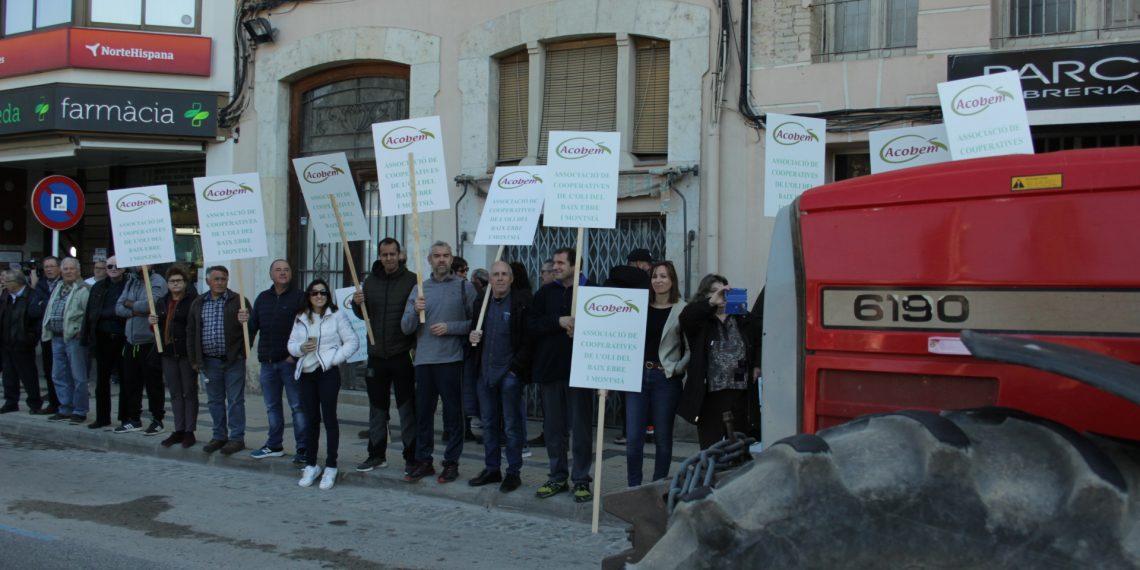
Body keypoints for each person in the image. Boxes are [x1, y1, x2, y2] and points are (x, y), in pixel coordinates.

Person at [401, 241, 476, 484]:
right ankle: (424, 460)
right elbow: (406, 327)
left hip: (451, 360)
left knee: (453, 415)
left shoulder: (465, 287)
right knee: (423, 414)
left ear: (452, 258)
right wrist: (414, 309)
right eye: (437, 256)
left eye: (445, 256)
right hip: (424, 361)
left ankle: (451, 463)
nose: (441, 260)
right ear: (429, 260)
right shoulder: (419, 289)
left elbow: (475, 325)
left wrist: (450, 328)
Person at [530, 247, 596, 503]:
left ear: (575, 265)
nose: (555, 266)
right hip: (551, 369)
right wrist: (558, 321)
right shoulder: (546, 292)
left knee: (581, 428)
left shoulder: (592, 291)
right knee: (554, 428)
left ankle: (581, 480)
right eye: (554, 262)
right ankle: (557, 475)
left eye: (560, 262)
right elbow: (531, 325)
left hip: (582, 370)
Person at [351, 238, 418, 474]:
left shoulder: (412, 280)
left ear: (399, 255)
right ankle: (376, 454)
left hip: (402, 353)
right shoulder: (370, 281)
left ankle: (411, 456)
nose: (388, 258)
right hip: (377, 354)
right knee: (377, 408)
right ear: (379, 256)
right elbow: (363, 315)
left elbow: (417, 317)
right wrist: (356, 303)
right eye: (384, 254)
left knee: (407, 408)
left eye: (392, 254)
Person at [467, 261, 532, 492]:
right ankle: (492, 469)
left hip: (509, 374)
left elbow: (528, 340)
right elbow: (474, 333)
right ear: (490, 278)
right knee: (489, 424)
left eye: (505, 274)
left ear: (512, 279)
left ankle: (513, 472)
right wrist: (473, 336)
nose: (501, 278)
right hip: (485, 372)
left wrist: (515, 369)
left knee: (513, 426)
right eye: (496, 274)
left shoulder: (521, 302)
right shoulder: (481, 301)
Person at [678, 274, 762, 449]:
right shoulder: (700, 320)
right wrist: (711, 303)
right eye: (714, 291)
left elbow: (758, 338)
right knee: (711, 447)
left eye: (723, 291)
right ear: (704, 295)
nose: (720, 295)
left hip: (739, 390)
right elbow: (686, 318)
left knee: (739, 446)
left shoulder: (742, 317)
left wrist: (757, 364)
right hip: (710, 394)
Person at [289, 279, 358, 490]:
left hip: (327, 372)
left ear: (328, 296)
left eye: (323, 293)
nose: (319, 296)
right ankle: (311, 464)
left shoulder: (336, 315)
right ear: (308, 296)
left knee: (329, 419)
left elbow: (352, 342)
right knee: (310, 420)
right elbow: (290, 345)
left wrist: (333, 359)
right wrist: (301, 348)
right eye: (314, 293)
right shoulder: (301, 317)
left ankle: (331, 465)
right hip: (307, 373)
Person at [626, 261, 689, 487]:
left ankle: (657, 487)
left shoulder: (682, 309)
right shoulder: (638, 305)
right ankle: (633, 488)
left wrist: (676, 368)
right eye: (654, 276)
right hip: (637, 376)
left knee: (662, 438)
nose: (658, 280)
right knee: (633, 439)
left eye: (664, 276)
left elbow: (690, 348)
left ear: (672, 281)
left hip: (665, 379)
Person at [241, 259, 307, 463]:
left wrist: (294, 356)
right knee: (272, 406)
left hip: (290, 362)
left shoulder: (300, 297)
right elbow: (252, 328)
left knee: (297, 406)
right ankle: (274, 444)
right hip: (267, 363)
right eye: (278, 270)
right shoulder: (262, 298)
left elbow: (307, 329)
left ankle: (303, 448)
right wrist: (245, 346)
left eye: (286, 269)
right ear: (271, 275)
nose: (283, 273)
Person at [187, 265, 251, 456]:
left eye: (223, 279)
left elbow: (252, 328)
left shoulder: (239, 301)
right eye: (216, 279)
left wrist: (245, 322)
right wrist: (195, 360)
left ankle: (236, 438)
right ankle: (219, 436)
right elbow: (191, 333)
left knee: (235, 400)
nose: (220, 282)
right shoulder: (198, 303)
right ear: (208, 281)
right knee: (214, 401)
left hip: (233, 360)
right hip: (209, 361)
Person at [605, 248, 654, 445]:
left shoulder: (612, 279)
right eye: (646, 264)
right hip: (640, 340)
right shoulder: (645, 282)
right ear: (638, 263)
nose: (648, 268)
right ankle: (646, 429)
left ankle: (629, 431)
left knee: (626, 390)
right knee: (641, 389)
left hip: (618, 340)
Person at [149, 265, 200, 448]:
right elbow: (158, 329)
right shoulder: (163, 301)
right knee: (175, 393)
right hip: (168, 352)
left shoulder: (193, 301)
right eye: (172, 281)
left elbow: (195, 327)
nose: (175, 284)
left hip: (186, 352)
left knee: (189, 392)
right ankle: (178, 429)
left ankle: (189, 430)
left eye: (179, 281)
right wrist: (152, 322)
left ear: (185, 283)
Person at [113, 265, 168, 435]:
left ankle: (157, 419)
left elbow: (151, 305)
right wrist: (136, 311)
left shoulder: (157, 281)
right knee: (131, 383)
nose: (139, 266)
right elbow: (119, 308)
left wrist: (131, 305)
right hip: (131, 340)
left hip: (149, 341)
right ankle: (134, 419)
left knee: (153, 384)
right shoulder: (131, 281)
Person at [40, 257, 90, 423]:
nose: (68, 272)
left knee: (78, 377)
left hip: (73, 339)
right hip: (56, 337)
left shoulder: (84, 289)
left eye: (71, 269)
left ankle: (80, 411)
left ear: (78, 270)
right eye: (66, 269)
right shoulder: (58, 287)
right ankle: (65, 408)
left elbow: (88, 316)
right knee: (59, 375)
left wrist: (80, 332)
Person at [82, 255, 126, 429]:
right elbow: (89, 312)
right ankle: (102, 417)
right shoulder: (99, 286)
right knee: (101, 381)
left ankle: (125, 417)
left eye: (117, 266)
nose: (113, 269)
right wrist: (86, 337)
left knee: (125, 379)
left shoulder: (129, 285)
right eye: (109, 266)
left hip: (123, 337)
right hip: (101, 337)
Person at [0, 269, 46, 413]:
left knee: (28, 374)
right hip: (6, 341)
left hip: (23, 342)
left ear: (17, 282)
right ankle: (11, 401)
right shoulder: (5, 295)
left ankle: (34, 403)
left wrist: (30, 337)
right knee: (8, 374)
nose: (4, 284)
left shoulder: (31, 296)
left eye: (7, 282)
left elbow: (37, 319)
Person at [526, 257, 556, 449]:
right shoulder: (542, 294)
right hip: (544, 360)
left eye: (544, 271)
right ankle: (549, 432)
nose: (541, 275)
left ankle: (553, 435)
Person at [31, 255, 61, 415]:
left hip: (63, 334)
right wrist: (47, 306)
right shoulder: (40, 286)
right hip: (45, 333)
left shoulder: (64, 284)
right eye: (46, 267)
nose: (49, 269)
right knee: (49, 370)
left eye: (51, 266)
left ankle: (66, 405)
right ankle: (53, 403)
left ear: (59, 268)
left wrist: (45, 305)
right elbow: (34, 310)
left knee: (64, 371)